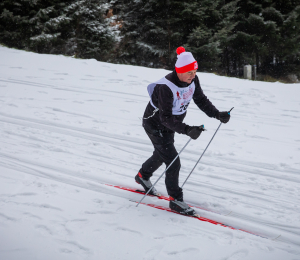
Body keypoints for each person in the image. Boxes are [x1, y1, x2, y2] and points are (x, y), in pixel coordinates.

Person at [135, 46, 230, 215]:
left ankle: (143, 175)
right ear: (179, 71)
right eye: (189, 73)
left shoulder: (192, 80)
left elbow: (200, 100)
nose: (193, 76)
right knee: (173, 160)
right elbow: (165, 118)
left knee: (162, 154)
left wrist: (217, 114)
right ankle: (175, 200)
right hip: (155, 125)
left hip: (171, 124)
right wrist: (187, 130)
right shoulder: (165, 87)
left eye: (195, 72)